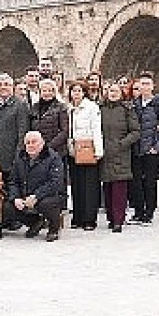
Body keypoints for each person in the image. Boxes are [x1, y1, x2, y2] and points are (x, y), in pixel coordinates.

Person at [4, 131, 66, 241]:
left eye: (34, 142)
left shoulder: (53, 158)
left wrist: (36, 196)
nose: (31, 145)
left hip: (51, 196)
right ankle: (34, 222)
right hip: (26, 196)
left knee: (45, 204)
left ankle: (54, 229)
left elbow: (55, 182)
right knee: (8, 207)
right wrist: (15, 198)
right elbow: (13, 181)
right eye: (28, 143)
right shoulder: (20, 158)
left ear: (42, 143)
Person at [98, 82, 139, 232]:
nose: (113, 93)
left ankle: (118, 220)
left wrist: (122, 144)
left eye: (116, 91)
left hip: (121, 153)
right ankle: (111, 218)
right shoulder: (100, 109)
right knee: (107, 188)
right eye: (110, 91)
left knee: (119, 189)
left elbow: (135, 132)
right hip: (104, 153)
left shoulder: (127, 109)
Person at [130, 73, 159, 224]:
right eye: (142, 84)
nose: (145, 87)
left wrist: (158, 147)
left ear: (153, 86)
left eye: (148, 84)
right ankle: (138, 211)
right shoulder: (134, 104)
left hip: (151, 149)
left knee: (149, 182)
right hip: (136, 148)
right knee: (136, 182)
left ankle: (149, 212)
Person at [66, 82, 102, 231]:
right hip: (74, 150)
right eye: (73, 91)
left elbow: (96, 128)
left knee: (90, 185)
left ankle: (89, 219)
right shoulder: (69, 109)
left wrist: (98, 150)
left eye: (79, 91)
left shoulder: (92, 107)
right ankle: (78, 216)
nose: (76, 94)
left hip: (88, 148)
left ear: (84, 92)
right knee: (76, 185)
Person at [0, 74, 28, 185]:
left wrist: (19, 155)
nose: (3, 87)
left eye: (6, 84)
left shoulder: (20, 105)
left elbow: (22, 131)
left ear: (12, 88)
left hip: (12, 155)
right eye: (0, 85)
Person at [30, 79, 69, 157]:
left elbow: (65, 131)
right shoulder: (35, 107)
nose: (47, 93)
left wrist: (48, 146)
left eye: (50, 90)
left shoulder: (61, 107)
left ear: (54, 92)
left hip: (56, 150)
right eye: (44, 91)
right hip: (37, 149)